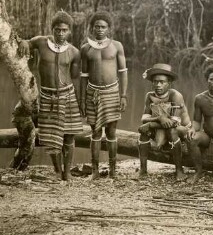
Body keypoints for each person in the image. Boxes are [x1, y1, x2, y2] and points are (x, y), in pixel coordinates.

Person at [17, 11, 82, 181]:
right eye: (58, 30)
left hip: (67, 95)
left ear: (69, 31)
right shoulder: (41, 42)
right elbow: (26, 43)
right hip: (47, 96)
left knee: (68, 135)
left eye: (64, 30)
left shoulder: (74, 52)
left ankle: (67, 172)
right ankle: (57, 171)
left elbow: (76, 78)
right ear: (52, 29)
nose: (61, 33)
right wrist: (23, 42)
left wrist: (80, 101)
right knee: (51, 136)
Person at [80, 11, 128, 179]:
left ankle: (113, 170)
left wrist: (123, 95)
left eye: (103, 27)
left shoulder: (117, 46)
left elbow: (123, 72)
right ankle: (94, 171)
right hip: (93, 93)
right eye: (96, 27)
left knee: (112, 132)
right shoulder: (85, 48)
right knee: (95, 132)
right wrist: (82, 100)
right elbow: (83, 77)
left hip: (112, 92)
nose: (100, 30)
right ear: (92, 29)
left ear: (109, 28)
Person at [137, 63, 191, 180]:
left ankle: (179, 171)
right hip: (160, 126)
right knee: (144, 132)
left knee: (171, 131)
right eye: (155, 82)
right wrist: (158, 118)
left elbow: (173, 123)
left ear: (169, 83)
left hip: (181, 129)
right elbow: (144, 118)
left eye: (162, 82)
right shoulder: (149, 96)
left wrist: (151, 123)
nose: (158, 85)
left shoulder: (175, 95)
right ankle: (143, 170)